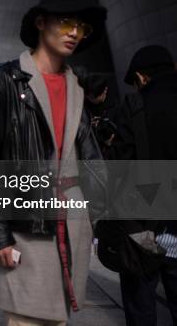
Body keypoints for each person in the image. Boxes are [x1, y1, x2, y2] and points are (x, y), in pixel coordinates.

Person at [0, 0, 107, 325]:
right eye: (65, 22)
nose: (74, 32)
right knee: (27, 318)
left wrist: (101, 215)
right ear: (41, 23)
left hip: (71, 222)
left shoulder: (76, 85)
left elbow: (89, 157)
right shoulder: (5, 79)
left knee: (59, 318)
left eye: (81, 26)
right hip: (26, 221)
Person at [108, 45, 177, 326]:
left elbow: (118, 169)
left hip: (144, 225)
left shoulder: (134, 107)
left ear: (141, 77)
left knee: (141, 306)